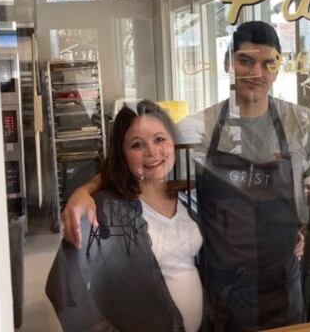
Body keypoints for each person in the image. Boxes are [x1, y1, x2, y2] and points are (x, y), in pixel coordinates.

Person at [63, 21, 310, 331]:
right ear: (227, 61)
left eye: (267, 63)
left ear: (278, 66)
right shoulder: (198, 128)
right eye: (245, 60)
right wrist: (85, 191)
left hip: (284, 290)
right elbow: (143, 162)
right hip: (222, 296)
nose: (256, 73)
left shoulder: (303, 124)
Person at [46, 100, 204, 332]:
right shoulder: (105, 209)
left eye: (160, 139)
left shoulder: (187, 199)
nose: (152, 152)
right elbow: (63, 285)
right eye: (137, 145)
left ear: (173, 142)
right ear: (122, 154)